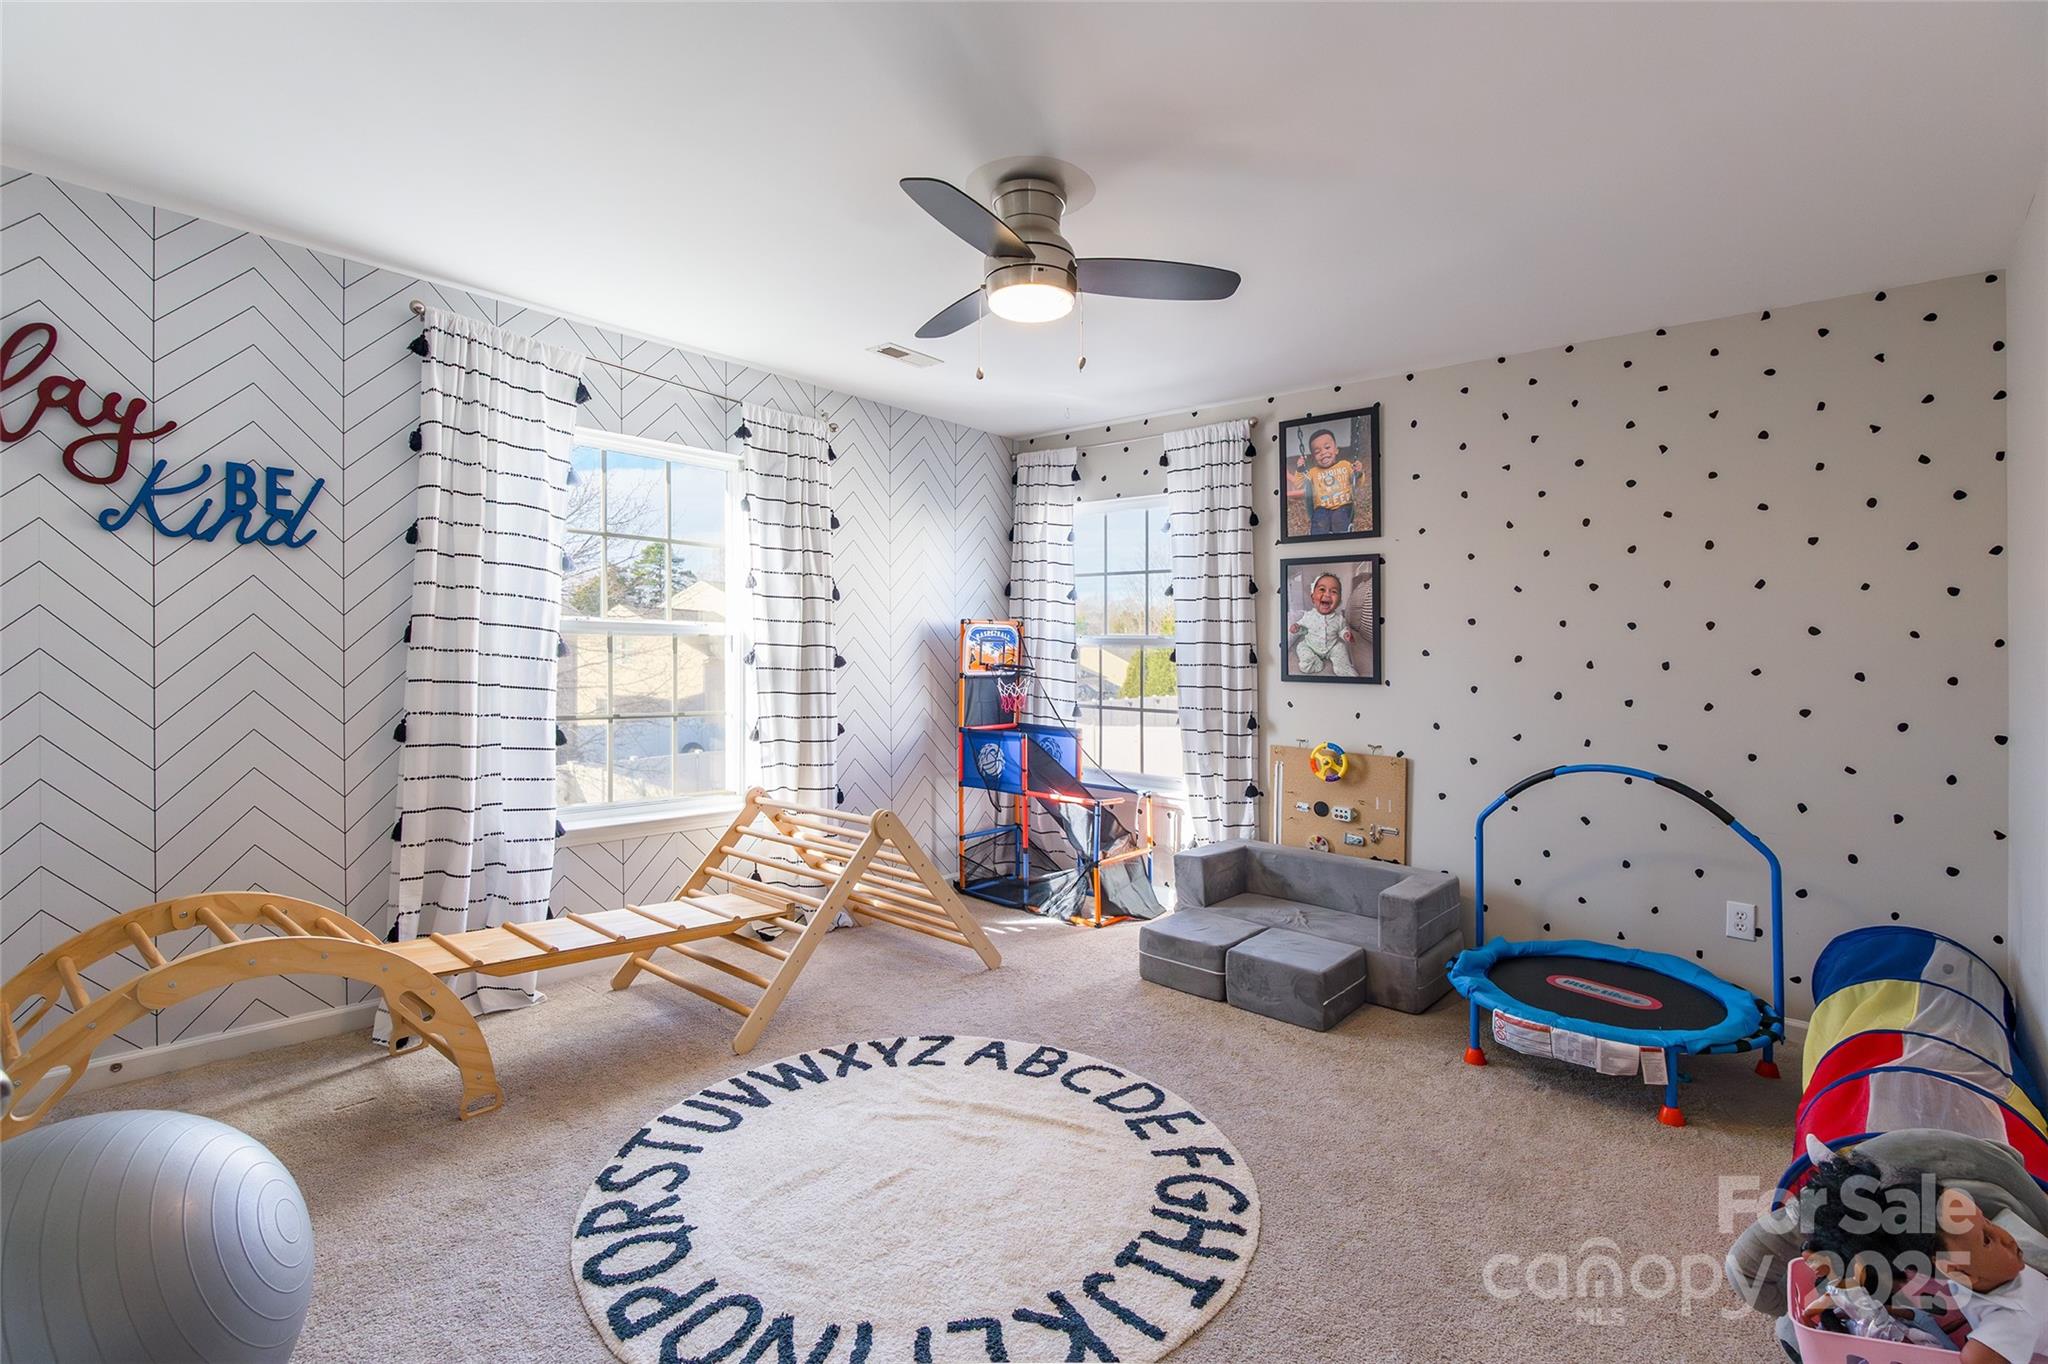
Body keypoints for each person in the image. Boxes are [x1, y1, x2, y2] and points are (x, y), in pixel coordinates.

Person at [1794, 1150, 2048, 1362]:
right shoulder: (1988, 1275)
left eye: (1988, 1226)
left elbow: (1970, 1359)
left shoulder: (2013, 1321)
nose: (2006, 1236)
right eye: (1987, 1238)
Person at [1290, 571, 1358, 676]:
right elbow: (1303, 629)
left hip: (1332, 647)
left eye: (1334, 591)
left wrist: (1345, 634)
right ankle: (1314, 662)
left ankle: (1343, 668)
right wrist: (1297, 628)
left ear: (1339, 601)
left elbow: (1342, 629)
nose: (1327, 594)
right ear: (1313, 597)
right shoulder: (1308, 616)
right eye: (1322, 589)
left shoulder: (1339, 619)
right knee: (1301, 647)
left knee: (1341, 648)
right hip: (1311, 646)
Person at [1298, 428, 1359, 536]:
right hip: (1322, 508)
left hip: (1343, 506)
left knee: (1338, 518)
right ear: (1313, 457)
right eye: (1317, 452)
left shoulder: (1345, 465)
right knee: (1320, 522)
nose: (1323, 453)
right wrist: (1300, 469)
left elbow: (1357, 481)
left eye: (1327, 447)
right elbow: (1299, 484)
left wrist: (1358, 472)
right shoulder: (1313, 472)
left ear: (1336, 450)